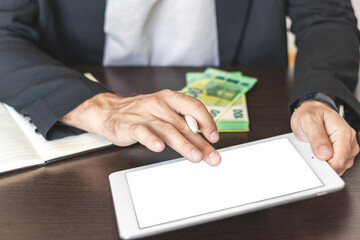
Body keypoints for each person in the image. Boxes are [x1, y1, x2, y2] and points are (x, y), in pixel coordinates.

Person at [0, 0, 359, 175]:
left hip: (246, 132)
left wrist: (319, 97)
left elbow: (325, 14)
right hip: (94, 140)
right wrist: (98, 107)